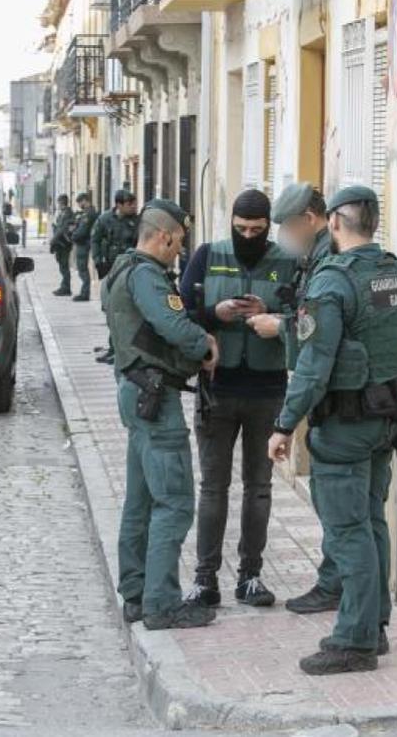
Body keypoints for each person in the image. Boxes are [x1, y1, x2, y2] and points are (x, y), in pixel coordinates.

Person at [267, 185, 397, 675]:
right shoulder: (391, 271)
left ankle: (354, 639)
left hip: (346, 424)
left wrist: (284, 424)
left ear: (333, 222)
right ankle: (374, 625)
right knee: (372, 521)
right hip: (388, 418)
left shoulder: (332, 281)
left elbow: (313, 364)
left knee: (348, 529)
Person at [101, 199, 219, 631]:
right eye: (179, 242)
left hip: (134, 393)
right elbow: (172, 326)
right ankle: (162, 603)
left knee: (142, 500)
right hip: (154, 399)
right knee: (174, 501)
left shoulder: (120, 269)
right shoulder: (148, 276)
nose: (180, 251)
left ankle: (135, 593)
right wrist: (204, 344)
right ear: (165, 236)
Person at [178, 189, 295, 608]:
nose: (247, 236)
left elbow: (303, 318)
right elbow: (182, 312)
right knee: (213, 487)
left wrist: (274, 313)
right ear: (231, 222)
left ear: (268, 227)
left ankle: (251, 576)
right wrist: (216, 314)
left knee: (259, 487)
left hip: (267, 392)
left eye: (256, 230)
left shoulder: (288, 262)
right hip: (218, 390)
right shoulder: (208, 255)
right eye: (241, 228)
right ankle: (205, 579)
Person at [248, 183, 344, 615]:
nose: (284, 235)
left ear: (310, 218)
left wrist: (280, 328)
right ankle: (342, 589)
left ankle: (343, 596)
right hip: (339, 395)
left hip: (339, 399)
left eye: (288, 225)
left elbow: (319, 337)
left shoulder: (331, 263)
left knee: (339, 507)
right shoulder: (318, 258)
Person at [93, 190, 140, 364]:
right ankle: (114, 348)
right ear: (119, 205)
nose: (134, 207)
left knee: (126, 312)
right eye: (130, 204)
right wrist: (98, 260)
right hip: (110, 271)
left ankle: (123, 351)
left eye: (134, 203)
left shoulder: (138, 221)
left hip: (130, 272)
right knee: (110, 310)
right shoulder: (105, 220)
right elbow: (95, 240)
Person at [71, 192, 98, 302]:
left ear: (85, 201)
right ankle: (84, 292)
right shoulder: (85, 213)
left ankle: (85, 293)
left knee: (82, 268)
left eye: (80, 203)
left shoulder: (89, 214)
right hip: (82, 243)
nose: (79, 205)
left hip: (83, 243)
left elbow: (83, 230)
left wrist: (73, 236)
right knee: (81, 268)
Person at [49, 194, 75, 296]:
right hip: (60, 244)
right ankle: (64, 286)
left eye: (59, 202)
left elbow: (62, 229)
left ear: (61, 202)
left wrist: (53, 240)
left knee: (64, 266)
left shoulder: (67, 213)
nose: (58, 205)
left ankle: (66, 288)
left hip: (64, 244)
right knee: (62, 266)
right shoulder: (63, 213)